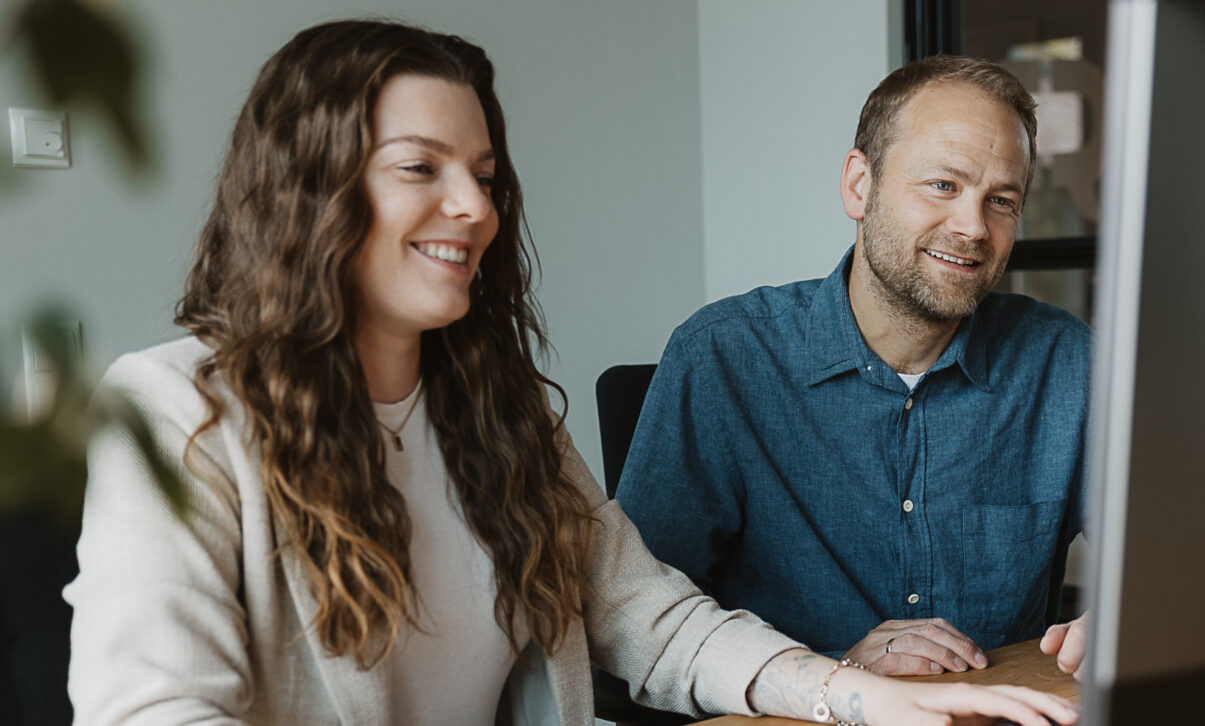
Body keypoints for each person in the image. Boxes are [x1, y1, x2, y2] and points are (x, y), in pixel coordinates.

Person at [62, 22, 1079, 726]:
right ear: (307, 187)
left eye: (486, 176)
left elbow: (647, 614)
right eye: (422, 168)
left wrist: (851, 696)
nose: (474, 207)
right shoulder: (170, 414)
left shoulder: (494, 413)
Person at [615, 55, 1093, 680]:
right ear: (858, 185)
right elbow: (631, 630)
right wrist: (832, 674)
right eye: (943, 185)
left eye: (1001, 200)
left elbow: (1174, 560)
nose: (973, 227)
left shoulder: (1069, 364)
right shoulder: (722, 359)